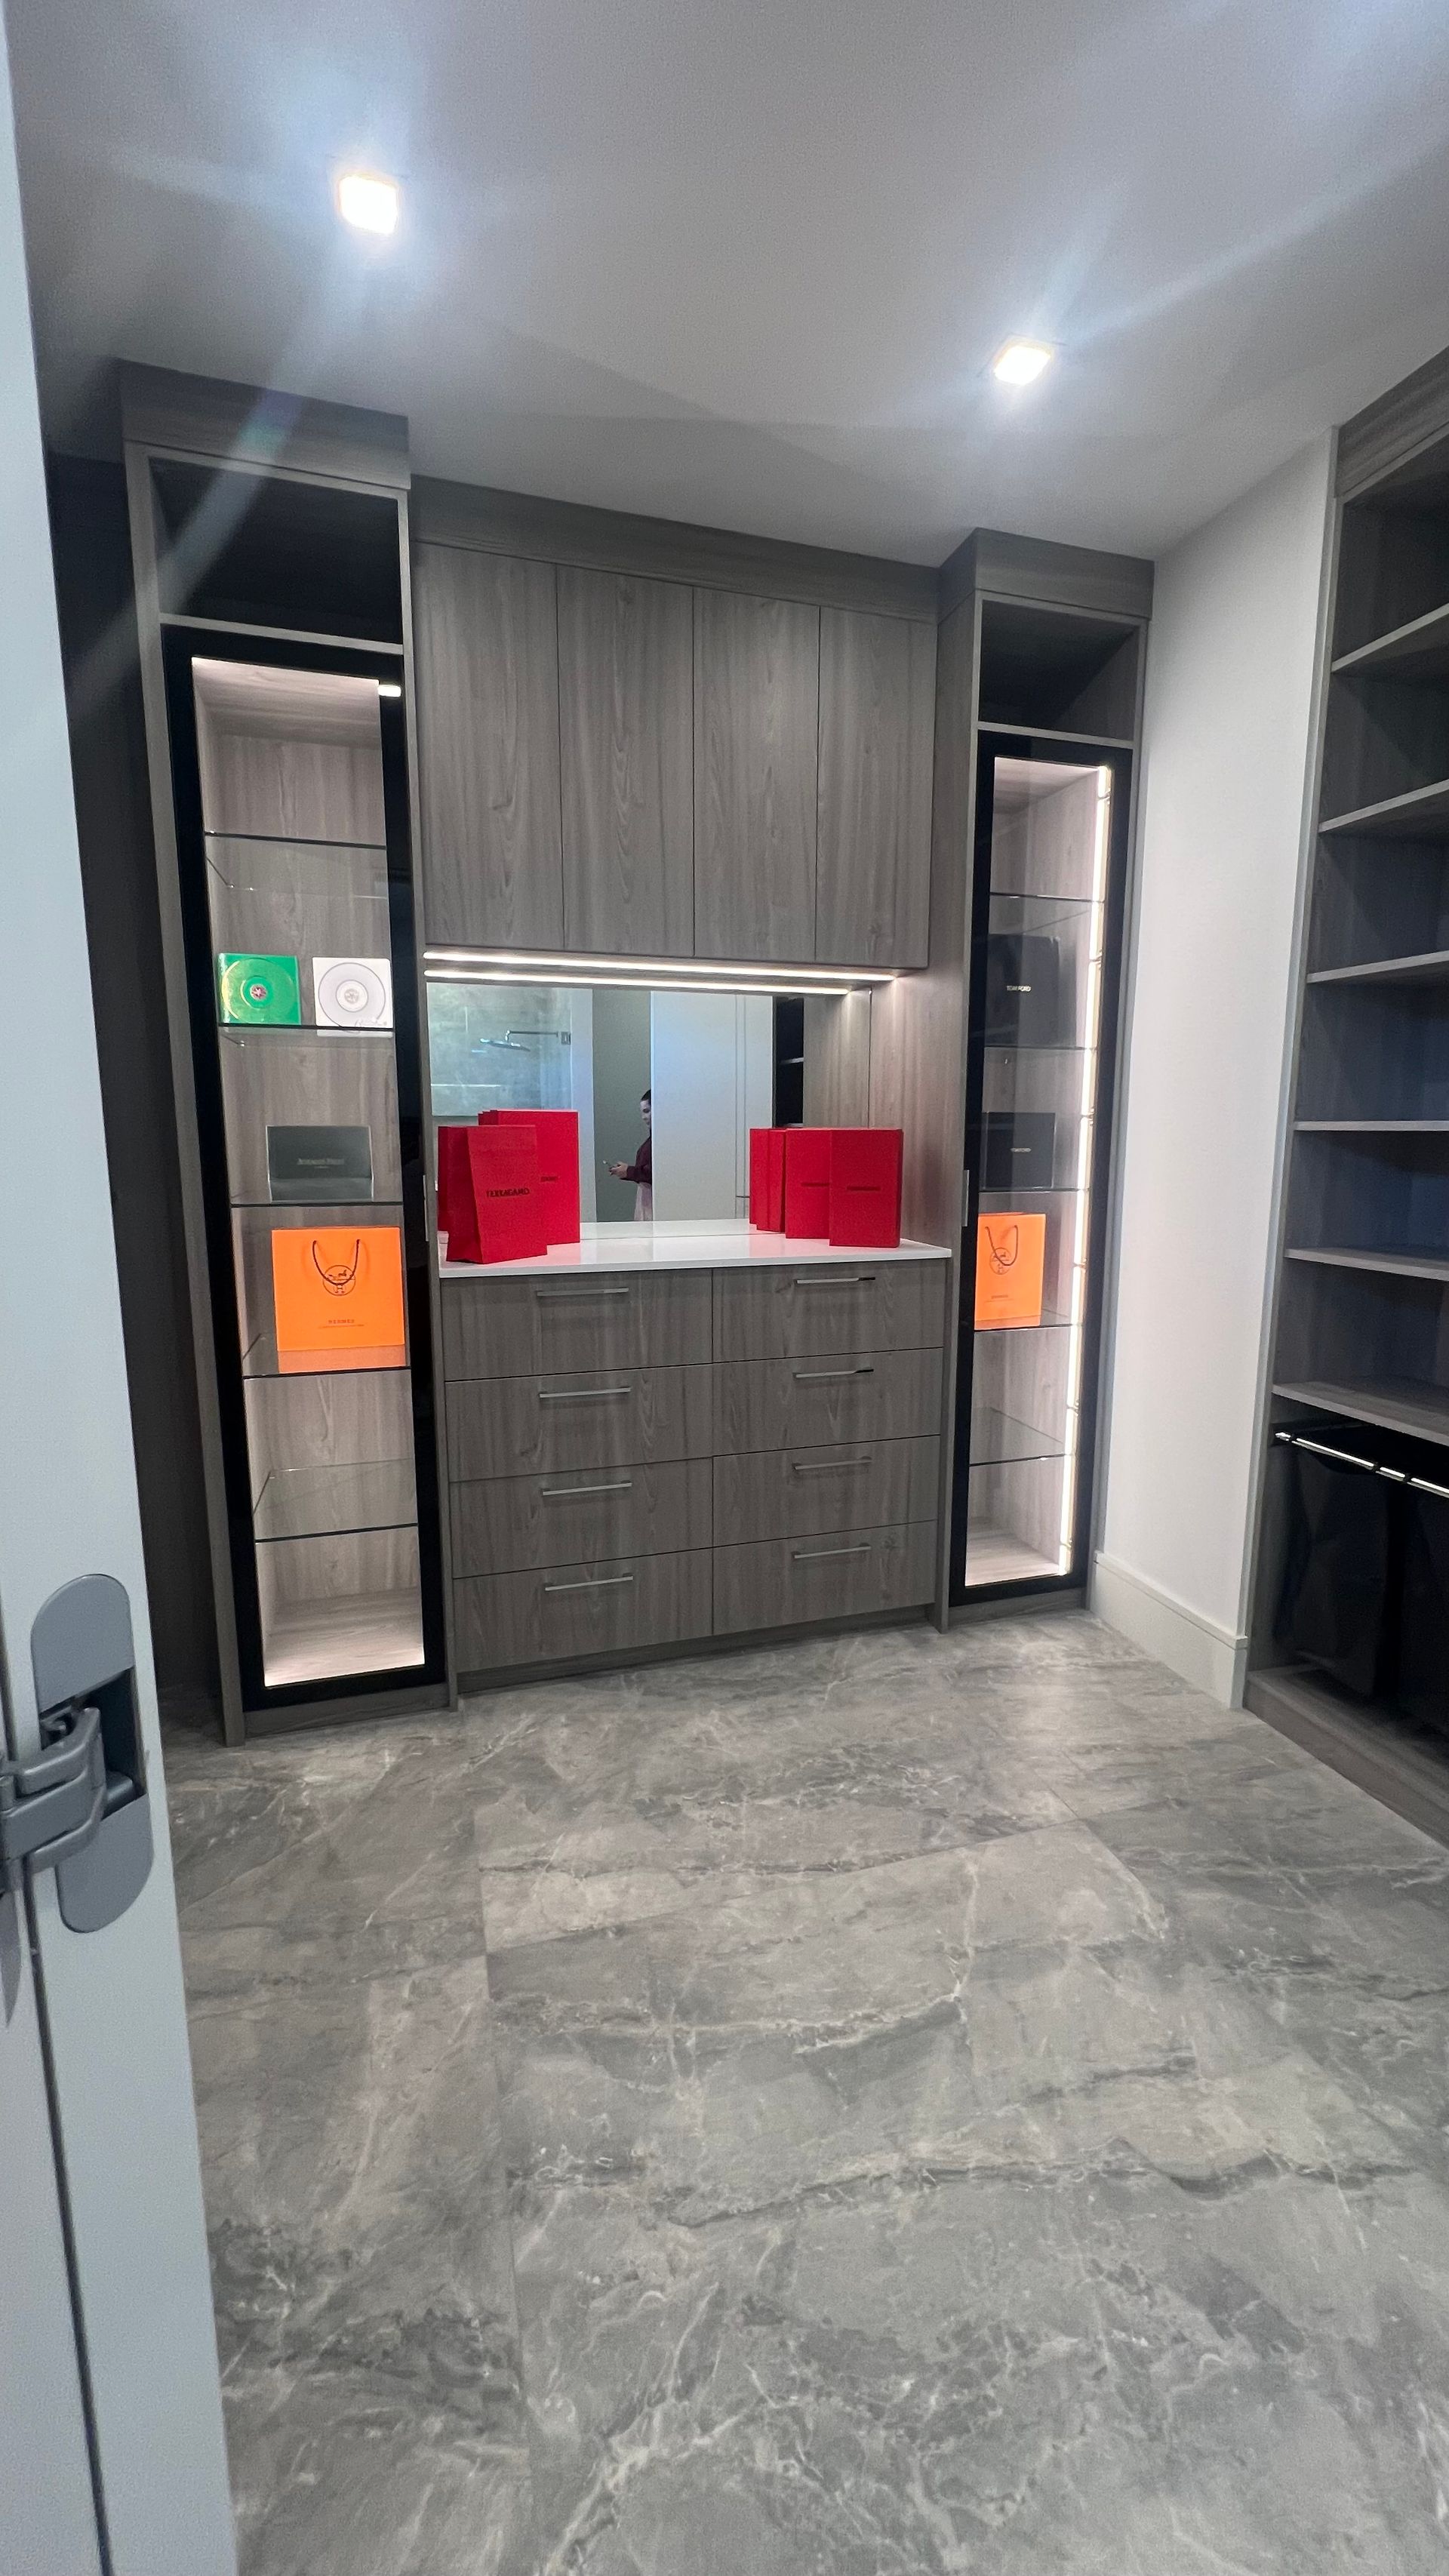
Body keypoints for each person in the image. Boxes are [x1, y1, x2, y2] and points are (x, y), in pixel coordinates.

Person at [608, 1088, 652, 1220]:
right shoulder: (652, 1141)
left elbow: (654, 1174)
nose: (644, 1117)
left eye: (647, 1111)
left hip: (653, 1201)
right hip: (647, 1199)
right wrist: (627, 1171)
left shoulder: (660, 1142)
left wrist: (629, 1171)